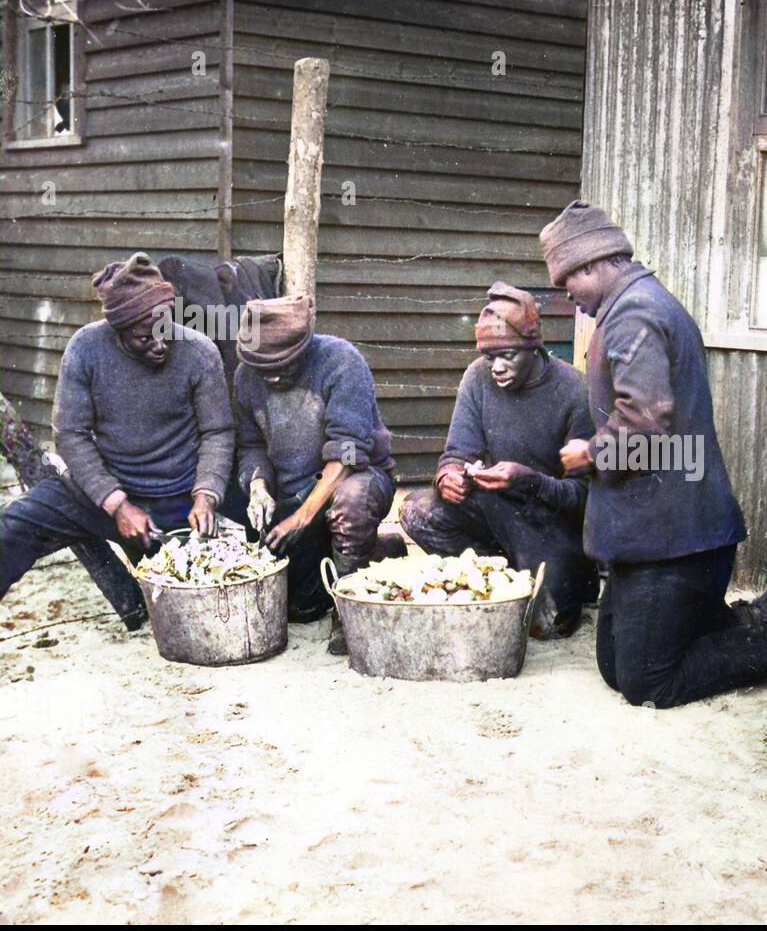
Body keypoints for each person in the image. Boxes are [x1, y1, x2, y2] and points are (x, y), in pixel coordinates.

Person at [541, 200, 767, 709]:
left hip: (677, 539)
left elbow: (645, 422)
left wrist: (590, 453)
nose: (566, 294)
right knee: (616, 668)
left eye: (566, 280)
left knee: (647, 684)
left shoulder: (634, 314)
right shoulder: (635, 304)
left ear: (593, 263)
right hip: (654, 531)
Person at [0, 253, 236, 600]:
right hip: (105, 489)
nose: (160, 345)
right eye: (144, 338)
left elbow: (218, 431)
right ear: (118, 330)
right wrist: (116, 504)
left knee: (202, 574)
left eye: (165, 331)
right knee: (14, 525)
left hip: (178, 493)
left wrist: (206, 494)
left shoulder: (200, 352)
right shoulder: (86, 348)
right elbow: (70, 433)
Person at [400, 282, 597, 638]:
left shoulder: (574, 391)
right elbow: (457, 452)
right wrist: (449, 476)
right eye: (490, 357)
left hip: (550, 522)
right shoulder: (477, 377)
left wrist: (530, 480)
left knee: (547, 625)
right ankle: (499, 574)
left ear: (533, 347)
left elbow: (583, 496)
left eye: (508, 355)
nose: (497, 367)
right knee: (418, 513)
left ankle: (557, 578)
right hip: (494, 509)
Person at [232, 294, 398, 655]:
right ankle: (379, 553)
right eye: (263, 367)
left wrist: (301, 518)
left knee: (350, 502)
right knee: (301, 609)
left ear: (303, 346)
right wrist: (259, 486)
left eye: (282, 365)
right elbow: (249, 444)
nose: (272, 375)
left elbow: (349, 452)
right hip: (293, 493)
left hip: (356, 478)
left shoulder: (341, 361)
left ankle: (349, 611)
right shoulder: (246, 377)